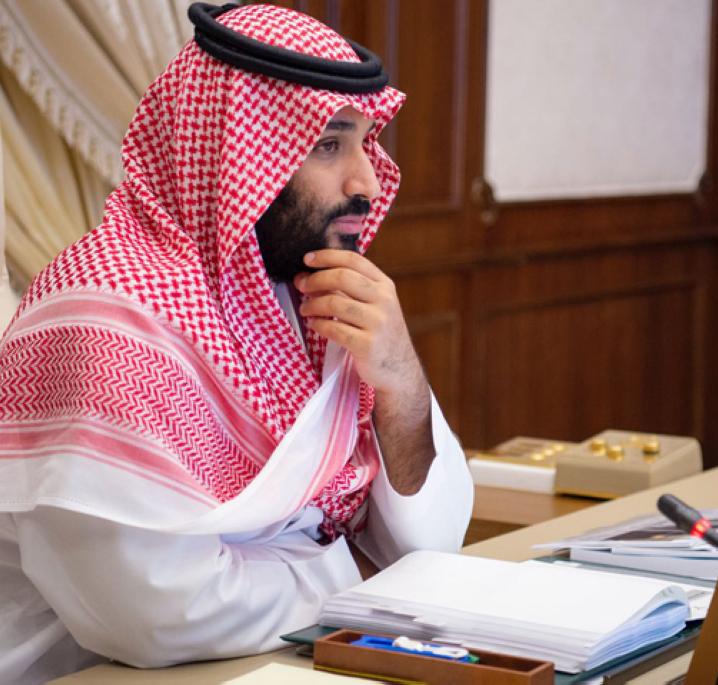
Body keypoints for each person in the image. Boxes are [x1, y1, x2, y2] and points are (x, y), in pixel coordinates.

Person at [0, 4, 473, 684]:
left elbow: (431, 541)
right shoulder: (106, 314)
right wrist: (360, 576)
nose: (368, 182)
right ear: (238, 151)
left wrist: (403, 382)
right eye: (330, 144)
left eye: (368, 144)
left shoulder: (302, 295)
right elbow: (155, 612)